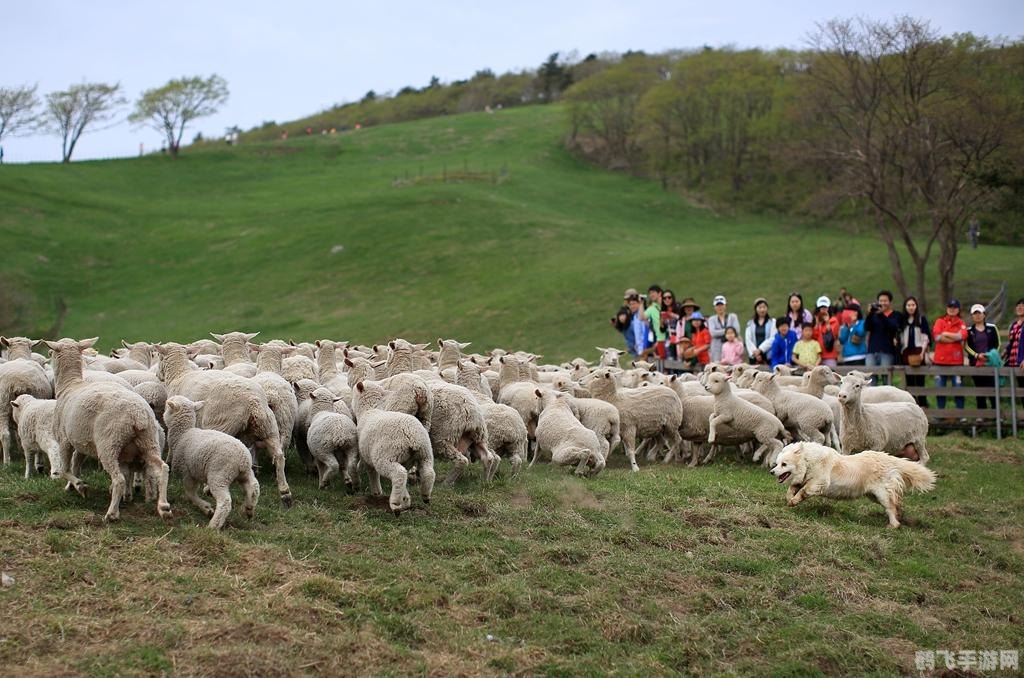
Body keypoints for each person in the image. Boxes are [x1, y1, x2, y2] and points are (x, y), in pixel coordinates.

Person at [932, 299, 967, 413]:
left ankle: (960, 414)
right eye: (950, 307)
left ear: (958, 309)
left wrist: (945, 333)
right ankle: (940, 414)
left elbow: (962, 336)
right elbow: (937, 336)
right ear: (947, 308)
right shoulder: (939, 321)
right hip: (940, 361)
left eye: (955, 307)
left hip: (956, 361)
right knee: (940, 389)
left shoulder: (961, 322)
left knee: (958, 388)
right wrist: (954, 338)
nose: (952, 309)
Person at [966, 304, 1000, 413]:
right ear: (972, 316)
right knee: (979, 390)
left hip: (990, 364)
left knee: (993, 389)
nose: (977, 316)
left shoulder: (992, 328)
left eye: (979, 313)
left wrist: (990, 355)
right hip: (976, 364)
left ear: (984, 314)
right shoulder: (969, 331)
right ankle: (982, 414)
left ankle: (996, 414)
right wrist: (977, 356)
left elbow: (998, 344)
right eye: (975, 314)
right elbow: (966, 346)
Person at [864, 290, 902, 384]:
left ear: (890, 302)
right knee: (870, 379)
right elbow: (866, 327)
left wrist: (881, 314)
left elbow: (893, 326)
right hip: (872, 351)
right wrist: (869, 314)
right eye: (880, 301)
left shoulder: (896, 315)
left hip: (887, 351)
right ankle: (872, 398)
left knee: (886, 379)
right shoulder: (873, 315)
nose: (882, 303)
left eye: (885, 301)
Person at [899, 297, 932, 407]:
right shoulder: (902, 320)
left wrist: (922, 352)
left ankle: (923, 404)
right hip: (906, 351)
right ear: (905, 307)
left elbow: (926, 336)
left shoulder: (921, 319)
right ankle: (911, 404)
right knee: (909, 379)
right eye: (909, 305)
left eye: (913, 305)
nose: (911, 307)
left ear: (916, 306)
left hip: (918, 350)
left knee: (920, 379)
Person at [1001, 297, 1024, 409]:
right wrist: (1006, 351)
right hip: (1014, 362)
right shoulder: (1014, 325)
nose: (1020, 307)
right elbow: (1012, 341)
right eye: (1018, 305)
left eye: (1023, 305)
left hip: (1023, 362)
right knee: (1019, 391)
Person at [707, 295, 741, 363]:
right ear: (715, 307)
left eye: (722, 305)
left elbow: (737, 330)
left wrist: (720, 332)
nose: (720, 307)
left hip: (732, 349)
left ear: (725, 305)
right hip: (717, 349)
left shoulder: (732, 317)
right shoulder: (711, 319)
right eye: (717, 305)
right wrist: (729, 331)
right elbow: (713, 333)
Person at [744, 297, 776, 365]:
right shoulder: (750, 323)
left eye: (764, 307)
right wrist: (755, 352)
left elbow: (773, 338)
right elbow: (748, 340)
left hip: (768, 355)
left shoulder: (772, 322)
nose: (762, 310)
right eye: (759, 307)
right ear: (756, 309)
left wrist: (760, 350)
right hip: (754, 356)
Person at [811, 296, 840, 368]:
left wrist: (827, 323)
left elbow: (832, 336)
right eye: (821, 308)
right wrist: (817, 324)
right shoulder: (814, 322)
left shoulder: (834, 320)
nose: (823, 310)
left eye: (825, 308)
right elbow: (813, 337)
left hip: (829, 355)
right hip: (816, 356)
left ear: (829, 308)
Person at [645, 285, 668, 360]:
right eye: (650, 293)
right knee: (663, 361)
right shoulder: (651, 308)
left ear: (660, 293)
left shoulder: (668, 304)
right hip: (660, 339)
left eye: (653, 292)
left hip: (672, 338)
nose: (651, 295)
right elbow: (642, 317)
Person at [660, 290, 682, 359]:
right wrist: (662, 323)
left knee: (679, 358)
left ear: (673, 298)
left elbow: (682, 320)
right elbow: (662, 330)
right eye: (664, 298)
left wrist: (672, 315)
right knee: (670, 358)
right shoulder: (663, 311)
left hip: (679, 337)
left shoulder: (678, 307)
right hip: (669, 338)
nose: (667, 300)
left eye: (669, 297)